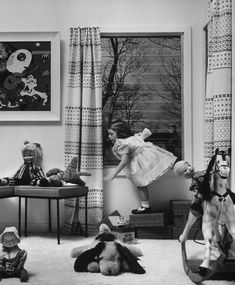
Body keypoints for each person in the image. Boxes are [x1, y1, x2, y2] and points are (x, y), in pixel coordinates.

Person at [104, 120, 177, 214]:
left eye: (111, 134)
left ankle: (145, 207)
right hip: (148, 156)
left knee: (140, 184)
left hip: (140, 161)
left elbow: (124, 161)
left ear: (120, 133)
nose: (109, 136)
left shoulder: (121, 143)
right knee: (143, 184)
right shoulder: (131, 138)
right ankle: (145, 206)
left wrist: (113, 173)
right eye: (109, 134)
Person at [174, 160, 206, 242]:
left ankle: (184, 234)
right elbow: (196, 192)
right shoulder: (196, 178)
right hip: (202, 200)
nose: (189, 168)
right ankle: (184, 234)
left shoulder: (198, 175)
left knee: (193, 212)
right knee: (193, 213)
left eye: (189, 165)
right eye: (185, 170)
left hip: (204, 199)